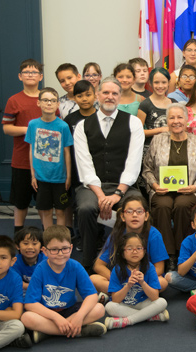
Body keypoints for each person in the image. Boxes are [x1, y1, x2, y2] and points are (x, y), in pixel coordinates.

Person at [73, 76, 145, 269]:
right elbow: (84, 164)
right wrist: (100, 195)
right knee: (87, 208)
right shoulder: (82, 126)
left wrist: (116, 195)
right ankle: (88, 263)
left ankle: (133, 261)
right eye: (106, 92)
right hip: (92, 186)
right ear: (97, 95)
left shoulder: (134, 123)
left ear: (120, 96)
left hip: (124, 186)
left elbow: (133, 163)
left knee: (135, 208)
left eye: (115, 93)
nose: (110, 96)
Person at [142, 103, 196, 257]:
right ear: (167, 121)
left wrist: (195, 187)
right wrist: (154, 185)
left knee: (181, 205)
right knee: (162, 205)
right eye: (171, 118)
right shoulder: (158, 140)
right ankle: (166, 254)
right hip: (162, 189)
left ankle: (181, 251)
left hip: (189, 190)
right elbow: (147, 168)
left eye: (180, 117)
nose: (176, 121)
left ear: (186, 119)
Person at [20, 225, 106, 343]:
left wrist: (79, 317)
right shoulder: (40, 269)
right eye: (54, 249)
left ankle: (48, 333)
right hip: (47, 313)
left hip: (69, 310)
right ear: (45, 251)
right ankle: (77, 331)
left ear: (71, 248)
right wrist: (56, 318)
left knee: (99, 308)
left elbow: (91, 296)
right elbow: (30, 304)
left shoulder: (75, 266)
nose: (60, 253)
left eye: (64, 249)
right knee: (26, 318)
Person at [90, 194, 169, 298]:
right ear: (123, 216)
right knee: (93, 279)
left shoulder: (154, 235)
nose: (134, 215)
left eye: (139, 211)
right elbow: (98, 265)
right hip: (122, 280)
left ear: (146, 216)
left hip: (144, 280)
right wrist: (118, 279)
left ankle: (119, 296)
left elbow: (159, 268)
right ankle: (137, 297)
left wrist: (139, 280)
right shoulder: (116, 234)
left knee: (162, 282)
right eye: (130, 211)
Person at [3, 59, 44, 232]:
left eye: (34, 72)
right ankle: (18, 233)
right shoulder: (14, 100)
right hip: (21, 160)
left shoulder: (47, 98)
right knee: (21, 202)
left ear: (40, 77)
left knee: (44, 202)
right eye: (26, 72)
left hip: (44, 161)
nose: (30, 75)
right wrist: (29, 129)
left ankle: (47, 233)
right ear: (20, 76)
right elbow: (7, 128)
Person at [26, 87, 73, 229]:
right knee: (45, 211)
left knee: (60, 211)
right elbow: (31, 149)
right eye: (45, 100)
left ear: (58, 104)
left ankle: (60, 241)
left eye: (53, 101)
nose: (49, 103)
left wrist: (69, 176)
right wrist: (33, 175)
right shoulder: (33, 124)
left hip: (59, 178)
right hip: (41, 177)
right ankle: (48, 240)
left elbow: (67, 152)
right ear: (39, 103)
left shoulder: (63, 126)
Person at [104, 233, 169, 330]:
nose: (135, 252)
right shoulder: (117, 269)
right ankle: (148, 316)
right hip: (124, 304)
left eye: (139, 248)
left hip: (143, 303)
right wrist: (128, 285)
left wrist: (142, 282)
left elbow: (155, 297)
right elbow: (115, 300)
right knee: (109, 306)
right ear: (122, 253)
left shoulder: (149, 267)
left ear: (144, 251)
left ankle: (127, 321)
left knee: (162, 302)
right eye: (129, 249)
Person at [63, 80, 97, 237]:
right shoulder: (69, 120)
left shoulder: (101, 117)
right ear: (75, 98)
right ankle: (79, 235)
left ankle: (98, 234)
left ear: (95, 96)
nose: (84, 99)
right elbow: (67, 149)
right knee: (78, 203)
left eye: (88, 95)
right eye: (80, 96)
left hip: (97, 168)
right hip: (76, 168)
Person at [137, 68, 176, 149]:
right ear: (150, 83)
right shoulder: (145, 104)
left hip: (171, 148)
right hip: (151, 149)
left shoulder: (174, 103)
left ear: (169, 83)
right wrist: (160, 130)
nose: (160, 86)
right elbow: (138, 131)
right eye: (156, 82)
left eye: (164, 82)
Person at [11, 226, 45, 291]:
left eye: (34, 244)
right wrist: (35, 286)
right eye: (26, 243)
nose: (30, 247)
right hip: (23, 291)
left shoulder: (46, 261)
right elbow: (16, 282)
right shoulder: (14, 262)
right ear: (17, 246)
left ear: (41, 246)